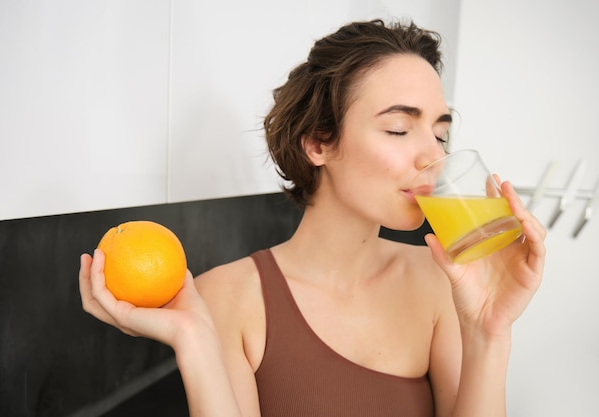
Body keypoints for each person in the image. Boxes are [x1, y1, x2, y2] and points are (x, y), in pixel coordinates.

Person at [79, 19, 546, 416]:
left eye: (440, 136)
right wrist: (194, 343)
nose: (433, 156)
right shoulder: (226, 297)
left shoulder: (443, 281)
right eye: (400, 128)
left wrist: (489, 333)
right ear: (318, 143)